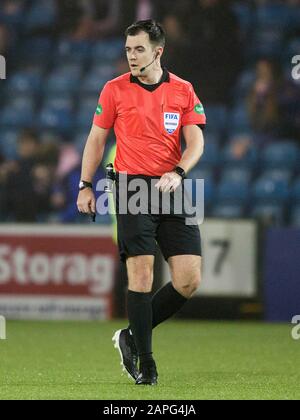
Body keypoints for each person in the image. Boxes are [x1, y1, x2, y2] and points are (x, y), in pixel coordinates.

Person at [77, 20, 206, 386]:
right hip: (132, 187)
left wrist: (179, 171)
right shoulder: (114, 90)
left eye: (139, 50)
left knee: (189, 280)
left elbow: (195, 142)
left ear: (158, 51)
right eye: (128, 50)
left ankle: (130, 335)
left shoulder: (182, 89)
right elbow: (96, 140)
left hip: (173, 187)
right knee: (142, 275)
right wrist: (86, 185)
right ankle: (145, 363)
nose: (132, 57)